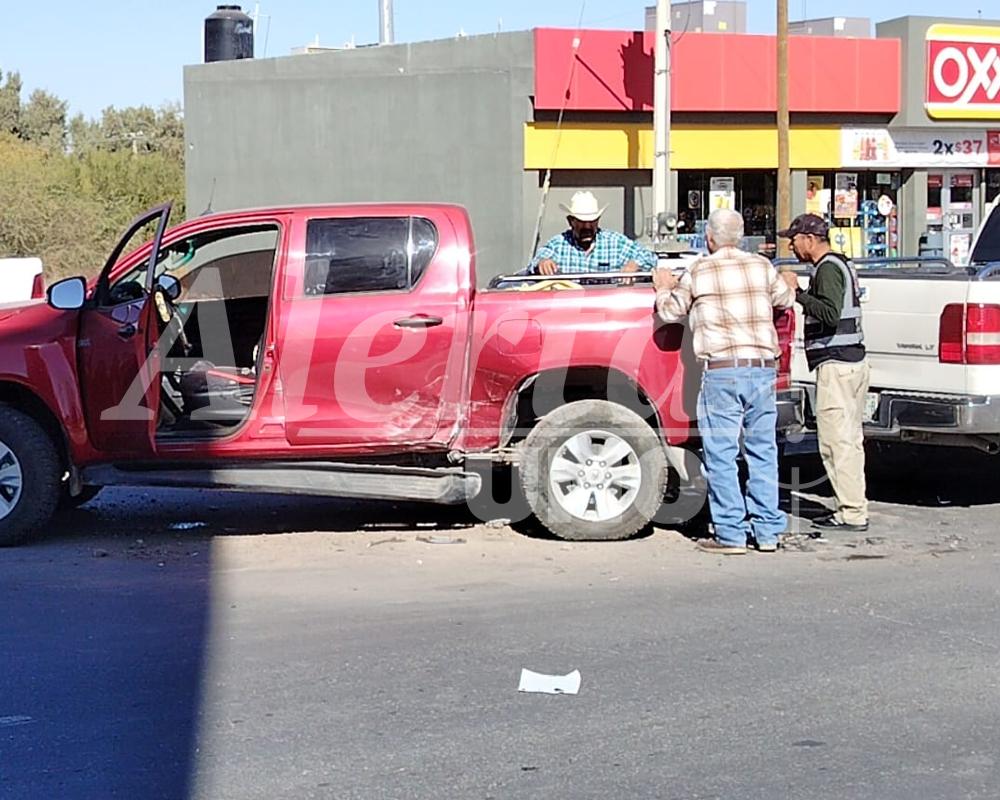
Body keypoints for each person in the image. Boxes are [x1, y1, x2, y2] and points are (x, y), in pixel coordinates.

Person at [654, 208, 796, 555]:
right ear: (741, 237)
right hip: (762, 368)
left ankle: (731, 533)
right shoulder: (761, 266)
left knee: (721, 454)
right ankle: (767, 531)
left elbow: (670, 312)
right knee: (763, 451)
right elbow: (785, 299)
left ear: (709, 239)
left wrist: (663, 288)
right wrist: (788, 282)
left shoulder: (700, 269)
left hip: (722, 370)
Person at [779, 213, 870, 532]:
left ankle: (851, 513)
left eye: (794, 239)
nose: (791, 246)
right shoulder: (838, 264)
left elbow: (830, 313)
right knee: (850, 440)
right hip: (850, 363)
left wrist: (797, 293)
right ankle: (854, 506)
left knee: (836, 442)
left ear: (810, 238)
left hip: (837, 365)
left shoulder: (828, 268)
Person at [531, 190, 657, 275]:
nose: (587, 226)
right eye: (582, 222)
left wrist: (635, 264)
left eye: (592, 221)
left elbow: (650, 257)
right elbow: (538, 260)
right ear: (571, 222)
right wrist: (543, 262)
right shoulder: (558, 245)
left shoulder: (614, 242)